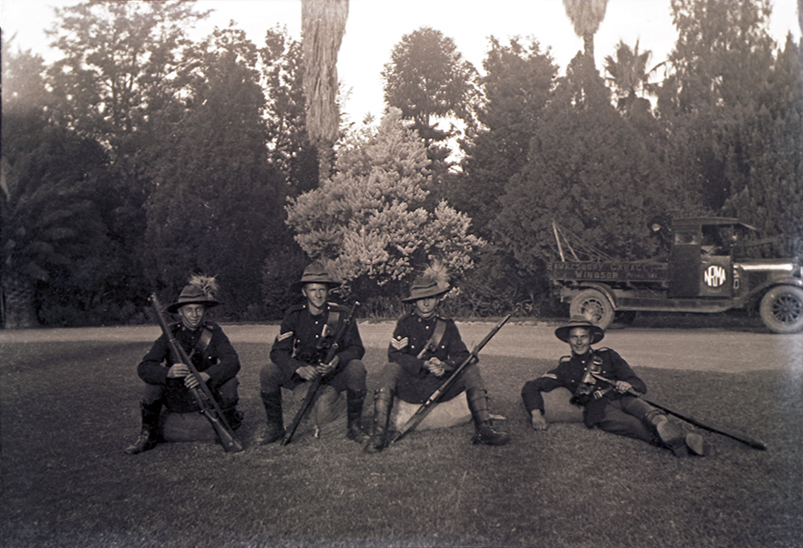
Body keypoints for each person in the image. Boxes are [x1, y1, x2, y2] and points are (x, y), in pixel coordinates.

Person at [364, 264, 510, 453]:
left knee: (471, 369)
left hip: (440, 384)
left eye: (430, 298)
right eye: (421, 299)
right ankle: (379, 436)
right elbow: (394, 355)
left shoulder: (446, 325)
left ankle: (484, 429)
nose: (426, 303)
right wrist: (422, 364)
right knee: (390, 369)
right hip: (412, 386)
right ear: (414, 302)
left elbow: (463, 356)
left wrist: (445, 366)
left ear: (437, 299)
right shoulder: (405, 324)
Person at [521, 316, 707, 457]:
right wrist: (536, 414)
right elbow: (530, 386)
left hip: (622, 397)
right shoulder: (564, 368)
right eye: (574, 337)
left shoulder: (608, 356)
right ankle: (681, 441)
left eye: (583, 337)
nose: (579, 342)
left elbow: (638, 384)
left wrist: (627, 384)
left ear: (591, 338)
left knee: (646, 412)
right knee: (634, 426)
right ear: (568, 340)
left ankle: (661, 423)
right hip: (600, 409)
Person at [125, 275, 242, 454]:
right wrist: (168, 372)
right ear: (180, 312)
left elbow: (233, 362)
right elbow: (145, 367)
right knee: (152, 385)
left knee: (231, 382)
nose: (194, 315)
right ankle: (147, 437)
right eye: (189, 310)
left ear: (205, 311)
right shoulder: (170, 334)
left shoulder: (214, 332)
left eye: (198, 309)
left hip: (206, 393)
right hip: (178, 396)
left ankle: (225, 429)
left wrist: (206, 375)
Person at [260, 261, 368, 444]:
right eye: (312, 290)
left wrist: (338, 361)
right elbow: (278, 352)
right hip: (304, 374)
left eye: (322, 289)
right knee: (268, 371)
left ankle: (354, 427)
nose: (318, 294)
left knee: (357, 367)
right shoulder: (294, 315)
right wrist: (298, 368)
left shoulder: (342, 314)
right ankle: (275, 427)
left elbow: (357, 348)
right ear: (304, 292)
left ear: (328, 291)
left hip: (333, 374)